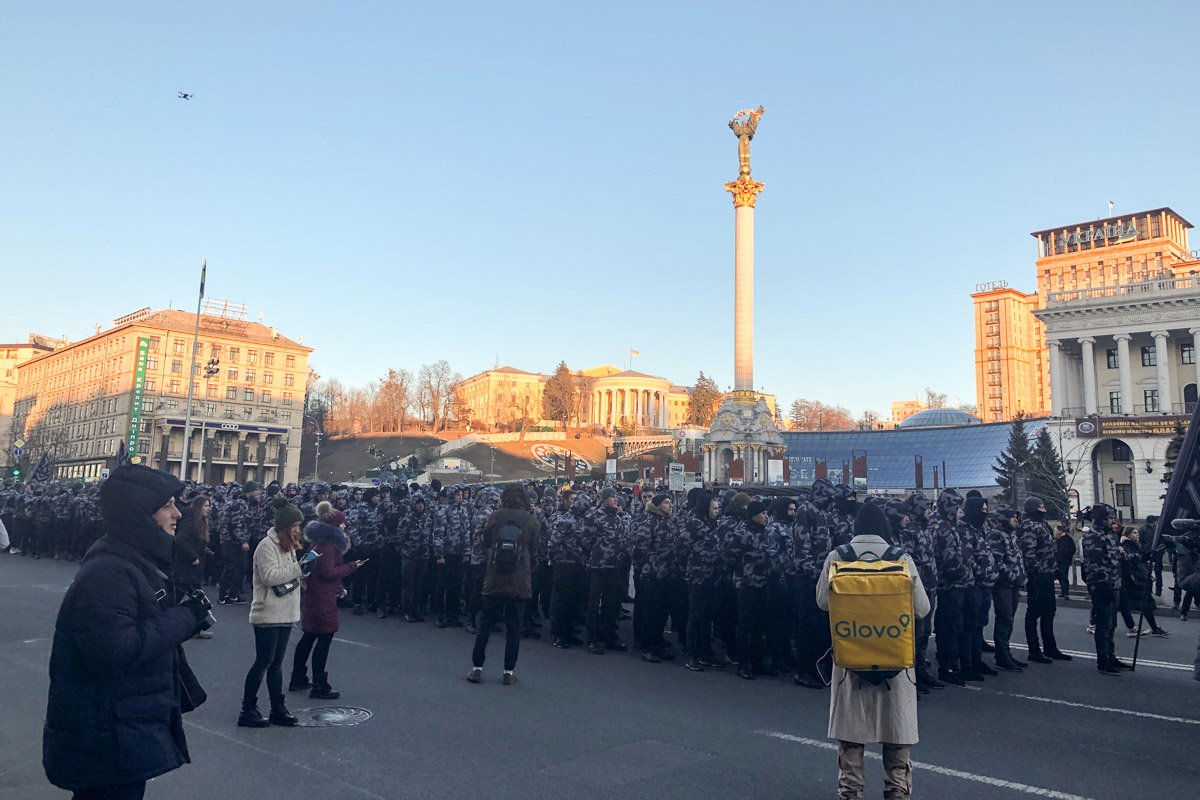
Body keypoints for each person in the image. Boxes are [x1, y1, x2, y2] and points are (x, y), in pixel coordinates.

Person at [43, 464, 209, 800]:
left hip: (118, 730)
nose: (177, 514)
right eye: (166, 506)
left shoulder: (127, 560)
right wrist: (186, 618)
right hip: (108, 736)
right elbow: (115, 650)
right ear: (138, 513)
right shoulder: (109, 572)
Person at [816, 502, 930, 800]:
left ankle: (851, 794)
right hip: (895, 660)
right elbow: (922, 608)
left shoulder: (837, 557)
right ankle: (897, 794)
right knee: (896, 742)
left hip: (851, 660)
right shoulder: (901, 558)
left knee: (851, 743)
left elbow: (822, 602)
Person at [239, 500, 305, 727]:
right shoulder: (266, 546)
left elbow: (289, 576)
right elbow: (270, 576)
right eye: (294, 525)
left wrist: (303, 570)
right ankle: (247, 709)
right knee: (263, 661)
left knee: (276, 664)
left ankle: (278, 708)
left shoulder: (289, 546)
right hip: (268, 613)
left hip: (286, 612)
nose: (298, 529)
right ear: (284, 526)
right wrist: (299, 569)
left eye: (299, 525)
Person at [468, 485, 541, 685]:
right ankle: (508, 672)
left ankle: (477, 668)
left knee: (485, 624)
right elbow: (535, 549)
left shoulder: (494, 516)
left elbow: (484, 542)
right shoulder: (530, 520)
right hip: (519, 581)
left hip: (494, 579)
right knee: (514, 628)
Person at [290, 502, 364, 698]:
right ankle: (319, 684)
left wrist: (339, 588)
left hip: (317, 595)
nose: (344, 526)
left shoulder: (318, 543)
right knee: (324, 637)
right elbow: (328, 572)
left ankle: (298, 676)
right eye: (341, 524)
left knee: (309, 636)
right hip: (323, 598)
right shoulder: (329, 546)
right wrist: (351, 566)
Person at [1081, 504, 1130, 674]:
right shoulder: (1093, 536)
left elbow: (1114, 559)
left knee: (1112, 624)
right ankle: (1103, 661)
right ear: (1102, 519)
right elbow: (1095, 565)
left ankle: (1111, 656)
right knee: (1103, 625)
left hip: (1114, 585)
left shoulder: (1109, 535)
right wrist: (1105, 585)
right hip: (1102, 587)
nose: (1113, 521)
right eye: (1110, 518)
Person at [173, 495, 215, 639]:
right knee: (176, 598)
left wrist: (206, 552)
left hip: (193, 571)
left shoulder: (200, 523)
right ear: (198, 507)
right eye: (205, 505)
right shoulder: (190, 522)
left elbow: (197, 542)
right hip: (185, 569)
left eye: (209, 505)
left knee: (198, 599)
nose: (208, 509)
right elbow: (180, 541)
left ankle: (198, 628)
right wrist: (193, 557)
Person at [1054, 525, 1076, 599]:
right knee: (1059, 576)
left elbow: (1072, 549)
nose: (1054, 532)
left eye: (1055, 530)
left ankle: (1065, 593)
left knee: (1063, 576)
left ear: (1060, 531)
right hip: (1058, 561)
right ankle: (1063, 592)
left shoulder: (1067, 539)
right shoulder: (1057, 539)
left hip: (1064, 561)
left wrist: (1066, 556)